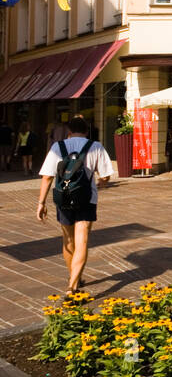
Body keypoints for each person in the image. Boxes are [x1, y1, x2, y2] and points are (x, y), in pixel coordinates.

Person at [36, 114, 113, 293]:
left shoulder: (58, 146)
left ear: (69, 132)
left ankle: (74, 279)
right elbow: (105, 176)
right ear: (87, 131)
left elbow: (47, 177)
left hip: (63, 198)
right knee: (82, 240)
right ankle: (72, 285)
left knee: (68, 241)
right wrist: (99, 185)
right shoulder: (96, 146)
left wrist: (41, 203)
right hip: (87, 199)